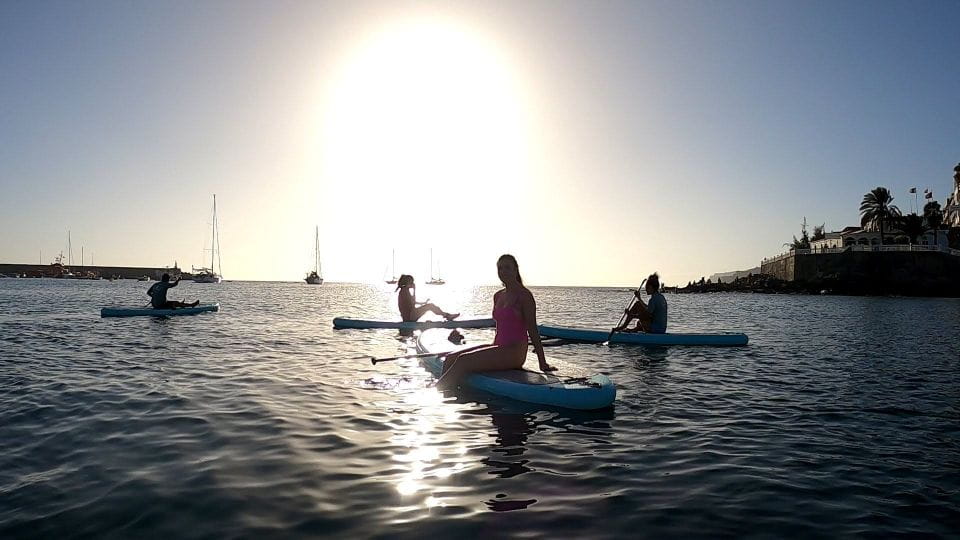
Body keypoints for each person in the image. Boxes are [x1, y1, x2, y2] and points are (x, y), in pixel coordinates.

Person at [436, 254, 555, 390]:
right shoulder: (498, 296)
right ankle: (447, 396)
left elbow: (532, 330)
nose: (503, 271)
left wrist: (542, 362)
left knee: (463, 361)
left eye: (507, 268)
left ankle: (437, 391)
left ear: (516, 270)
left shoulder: (524, 296)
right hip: (498, 347)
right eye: (500, 268)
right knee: (450, 358)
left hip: (514, 353)